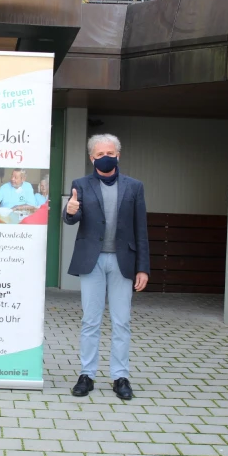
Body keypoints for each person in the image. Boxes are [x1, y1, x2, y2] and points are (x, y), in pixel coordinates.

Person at [63, 133, 149, 400]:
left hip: (124, 262)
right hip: (93, 261)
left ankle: (120, 376)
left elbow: (141, 229)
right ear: (91, 158)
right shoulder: (81, 184)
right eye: (99, 154)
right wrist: (70, 209)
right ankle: (86, 375)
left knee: (121, 322)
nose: (105, 157)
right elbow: (72, 219)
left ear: (118, 154)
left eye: (109, 153)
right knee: (91, 321)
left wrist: (143, 267)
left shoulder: (134, 187)